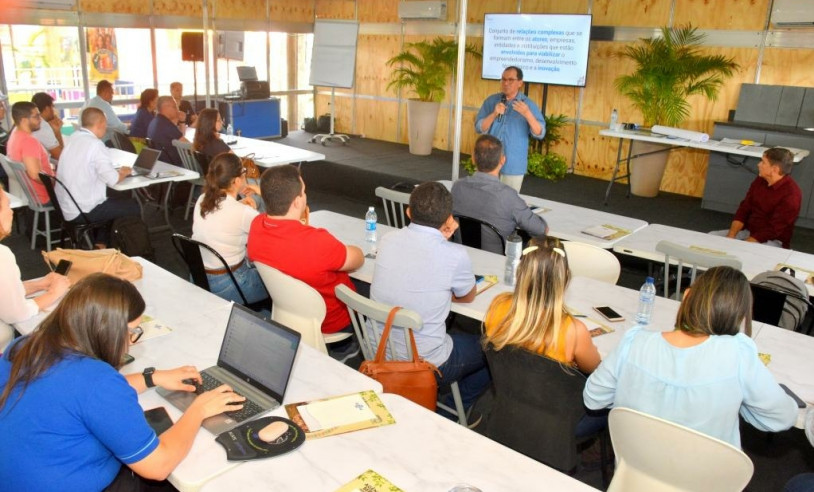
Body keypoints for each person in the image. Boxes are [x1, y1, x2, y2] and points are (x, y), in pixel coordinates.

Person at [0, 273, 244, 490]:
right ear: (108, 330)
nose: (131, 342)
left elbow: (73, 394)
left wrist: (152, 378)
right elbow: (157, 467)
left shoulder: (25, 345)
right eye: (132, 332)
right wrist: (198, 410)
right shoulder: (97, 381)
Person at [583, 266, 797, 448]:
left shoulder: (635, 342)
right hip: (704, 480)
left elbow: (594, 398)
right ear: (740, 316)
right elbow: (782, 418)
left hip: (635, 472)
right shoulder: (738, 355)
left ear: (686, 297)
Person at [370, 182, 489, 420]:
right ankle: (455, 410)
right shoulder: (455, 256)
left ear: (408, 212)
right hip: (427, 362)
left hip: (378, 350)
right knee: (495, 349)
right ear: (448, 219)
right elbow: (468, 296)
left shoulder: (387, 240)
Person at [483, 236, 603, 436]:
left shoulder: (497, 305)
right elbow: (594, 368)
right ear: (565, 277)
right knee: (612, 403)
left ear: (521, 272)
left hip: (510, 404)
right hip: (556, 419)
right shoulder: (574, 330)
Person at [247, 165, 363, 339]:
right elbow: (358, 259)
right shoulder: (317, 242)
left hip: (288, 313)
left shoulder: (257, 225)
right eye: (303, 192)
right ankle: (346, 348)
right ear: (296, 202)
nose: (305, 195)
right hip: (333, 321)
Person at [0, 186, 70, 350]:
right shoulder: (2, 255)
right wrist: (54, 293)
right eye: (7, 206)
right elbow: (16, 313)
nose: (11, 213)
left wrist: (39, 285)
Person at [56, 107, 139, 244]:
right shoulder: (95, 144)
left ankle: (101, 243)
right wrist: (123, 172)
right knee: (133, 206)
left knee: (117, 198)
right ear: (101, 123)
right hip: (83, 209)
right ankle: (121, 245)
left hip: (67, 205)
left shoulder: (73, 138)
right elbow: (112, 180)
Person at [452, 134, 548, 253]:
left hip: (462, 255)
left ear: (473, 158)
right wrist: (524, 210)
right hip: (498, 263)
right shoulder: (508, 196)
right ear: (502, 160)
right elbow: (541, 230)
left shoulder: (457, 187)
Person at [192, 152, 266, 306]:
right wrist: (261, 192)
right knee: (280, 280)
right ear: (237, 180)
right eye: (244, 172)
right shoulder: (242, 213)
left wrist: (242, 207)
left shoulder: (202, 199)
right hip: (230, 284)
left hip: (199, 277)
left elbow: (222, 217)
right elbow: (274, 231)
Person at [712, 147, 802, 248]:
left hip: (773, 240)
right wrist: (731, 235)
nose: (758, 164)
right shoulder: (760, 180)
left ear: (775, 169)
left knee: (742, 252)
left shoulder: (791, 195)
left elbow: (773, 230)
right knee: (711, 238)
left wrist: (742, 245)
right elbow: (744, 209)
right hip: (748, 231)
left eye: (763, 162)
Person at [475, 66, 545, 192]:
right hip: (488, 162)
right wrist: (494, 114)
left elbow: (540, 133)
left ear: (520, 83)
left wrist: (528, 114)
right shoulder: (491, 101)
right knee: (484, 199)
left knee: (507, 203)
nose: (506, 83)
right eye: (503, 79)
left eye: (510, 80)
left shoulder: (528, 104)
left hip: (513, 163)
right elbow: (480, 128)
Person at [6, 101, 55, 205]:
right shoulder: (29, 141)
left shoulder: (15, 134)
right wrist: (55, 182)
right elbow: (35, 175)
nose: (40, 119)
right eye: (36, 116)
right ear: (24, 120)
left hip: (31, 196)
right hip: (46, 196)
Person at [147, 95, 187, 167]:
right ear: (165, 107)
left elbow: (180, 137)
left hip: (161, 163)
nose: (178, 109)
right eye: (175, 106)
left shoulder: (156, 121)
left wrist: (182, 121)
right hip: (175, 165)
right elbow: (187, 145)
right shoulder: (165, 125)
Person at [31, 92, 65, 160]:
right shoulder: (43, 127)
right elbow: (60, 157)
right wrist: (58, 132)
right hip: (41, 168)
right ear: (47, 108)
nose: (54, 110)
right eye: (52, 107)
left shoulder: (33, 122)